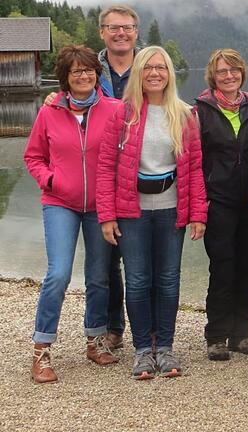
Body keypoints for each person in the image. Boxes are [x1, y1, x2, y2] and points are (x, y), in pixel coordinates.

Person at [96, 46, 207, 380]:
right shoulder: (123, 114)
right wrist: (107, 215)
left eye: (161, 68)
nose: (155, 73)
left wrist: (198, 213)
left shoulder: (185, 114)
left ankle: (167, 348)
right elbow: (105, 167)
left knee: (169, 280)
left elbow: (196, 168)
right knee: (139, 280)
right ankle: (144, 350)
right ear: (139, 73)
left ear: (169, 73)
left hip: (172, 209)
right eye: (148, 68)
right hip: (132, 211)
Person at [24, 45, 121, 384]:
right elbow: (33, 157)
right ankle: (42, 349)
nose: (84, 75)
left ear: (97, 74)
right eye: (76, 71)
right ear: (64, 78)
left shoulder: (115, 109)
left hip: (101, 206)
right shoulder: (49, 112)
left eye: (89, 70)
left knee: (98, 276)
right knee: (59, 274)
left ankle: (95, 339)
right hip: (59, 203)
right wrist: (50, 180)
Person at [196, 49, 248, 361]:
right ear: (213, 76)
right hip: (218, 199)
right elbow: (195, 159)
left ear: (242, 73)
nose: (229, 76)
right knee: (222, 266)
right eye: (222, 71)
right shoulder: (201, 110)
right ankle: (216, 335)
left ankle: (241, 333)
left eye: (234, 70)